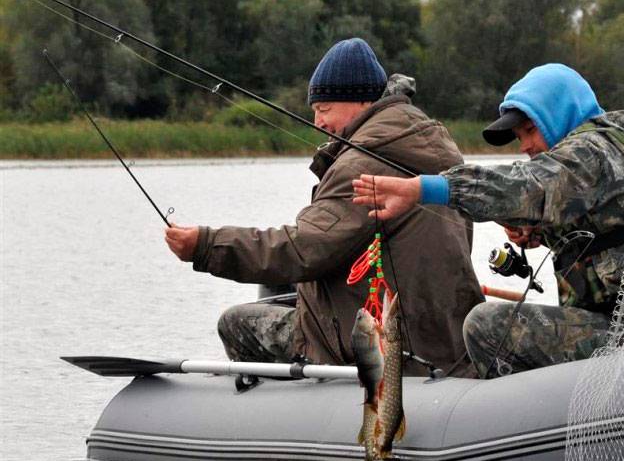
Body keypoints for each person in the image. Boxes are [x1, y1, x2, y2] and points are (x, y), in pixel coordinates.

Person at [352, 63, 624, 378]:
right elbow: (615, 227)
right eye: (519, 136)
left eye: (530, 130)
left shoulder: (592, 151)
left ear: (561, 113)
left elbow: (525, 186)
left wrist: (424, 189)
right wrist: (542, 233)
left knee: (488, 326)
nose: (525, 146)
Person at [164, 38, 483, 376]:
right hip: (445, 338)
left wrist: (205, 245)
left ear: (361, 101)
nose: (317, 122)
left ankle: (293, 416)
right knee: (283, 290)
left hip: (389, 348)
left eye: (324, 109)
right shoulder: (436, 148)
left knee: (237, 322)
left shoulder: (361, 165)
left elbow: (303, 250)